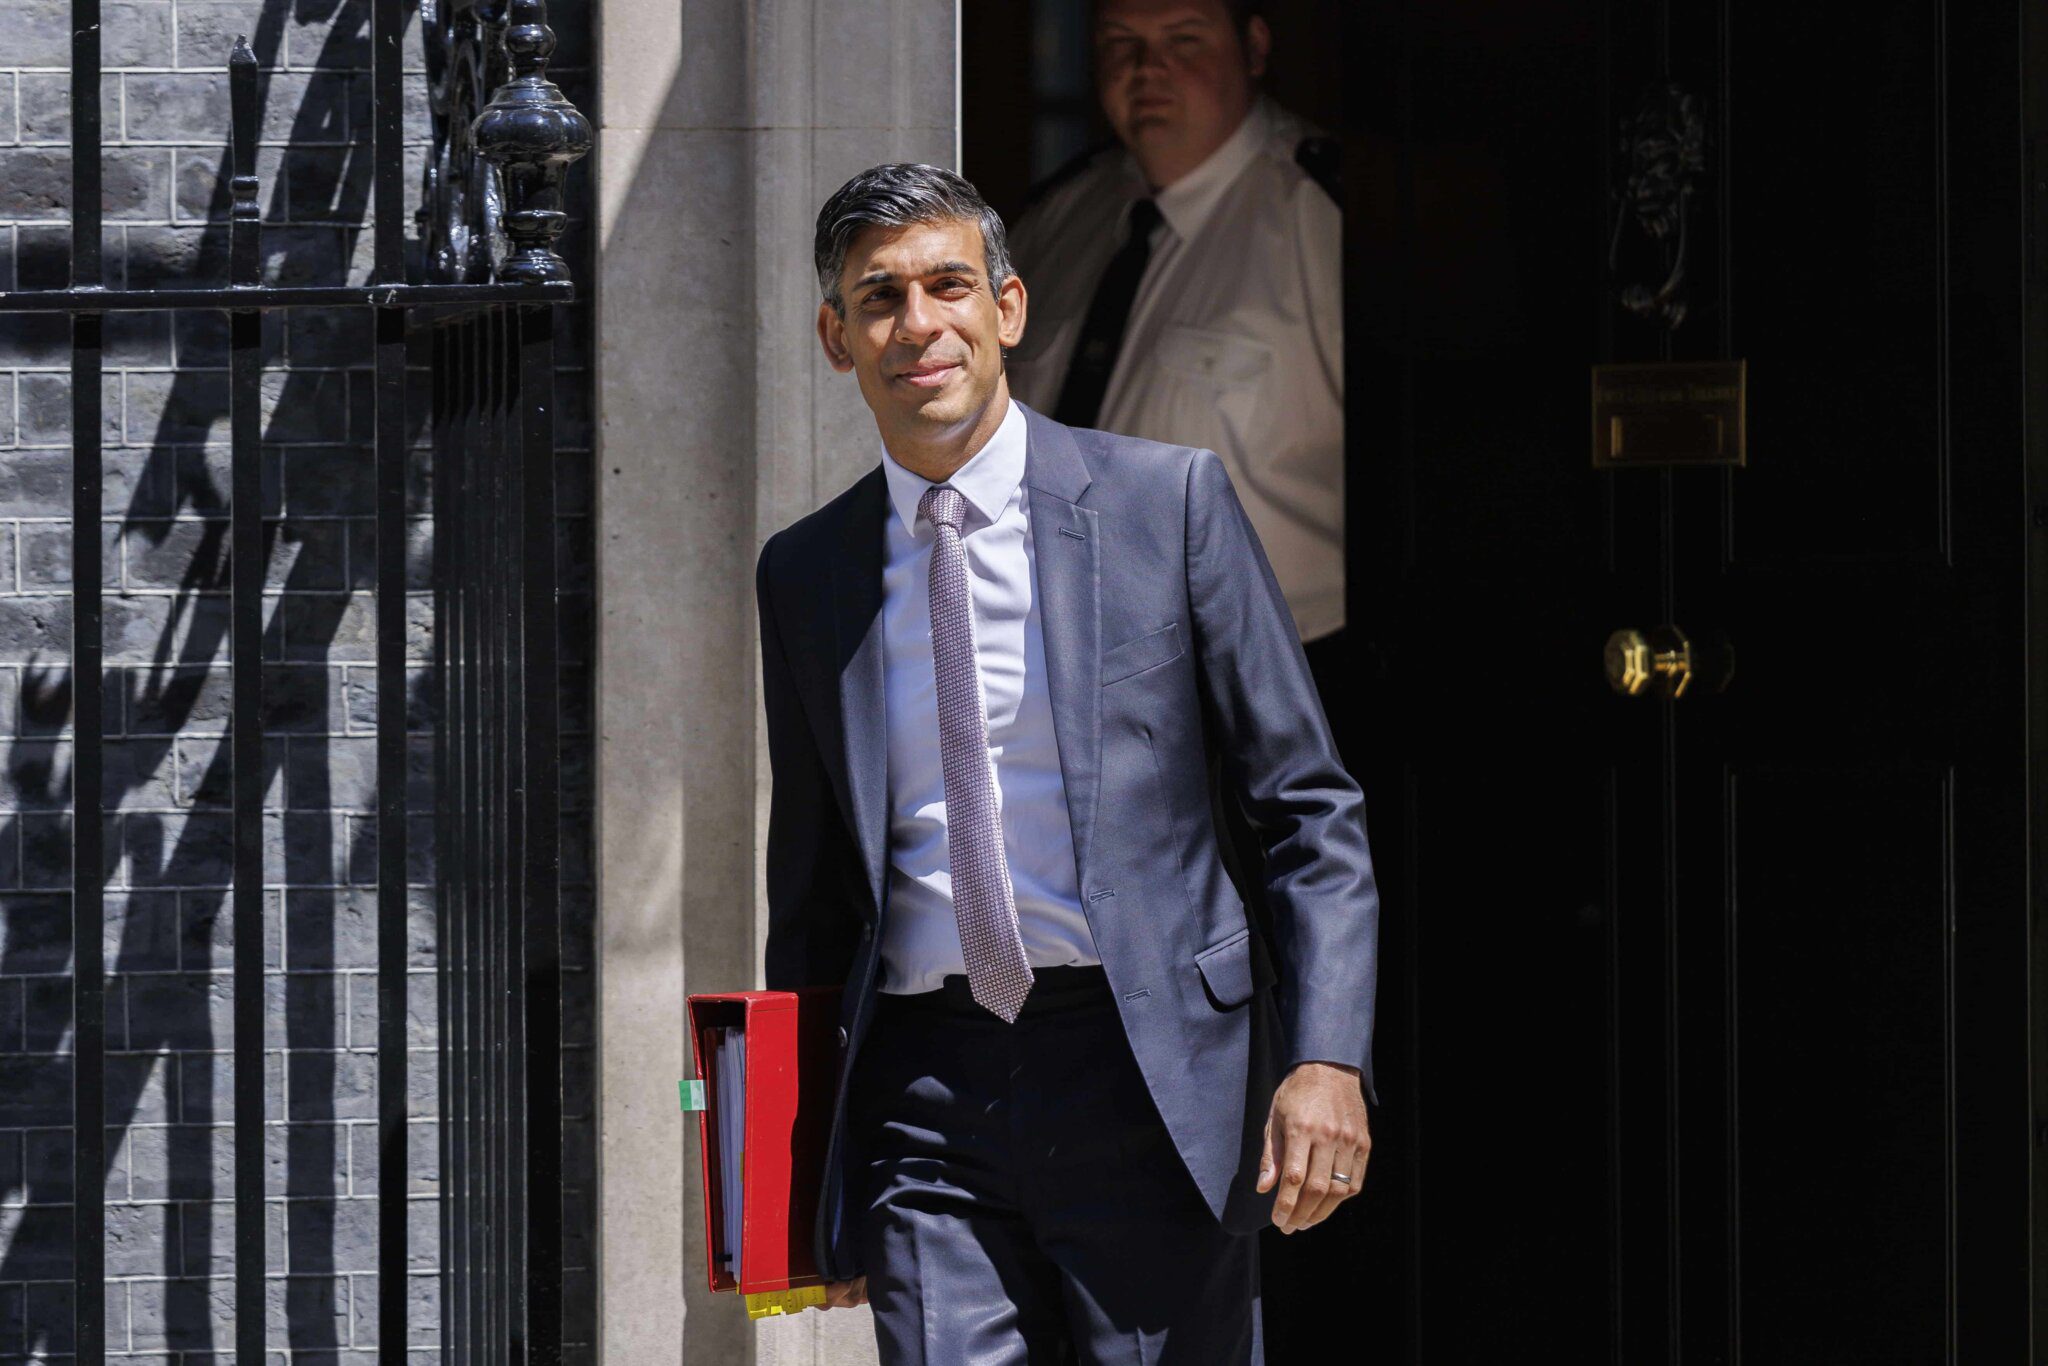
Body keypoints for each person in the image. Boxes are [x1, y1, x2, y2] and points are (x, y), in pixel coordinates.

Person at [754, 162, 1377, 1364]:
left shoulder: (1167, 505)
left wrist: (1324, 1055)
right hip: (922, 1095)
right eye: (879, 298)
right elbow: (814, 888)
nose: (917, 325)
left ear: (1008, 308)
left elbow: (1308, 809)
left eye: (948, 286)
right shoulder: (806, 570)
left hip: (1148, 1072)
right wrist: (801, 1178)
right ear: (836, 339)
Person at [1005, 0, 1346, 699]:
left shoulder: (1324, 218)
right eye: (1120, 42)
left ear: (1254, 46)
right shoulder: (1056, 220)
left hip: (1275, 682)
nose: (1147, 68)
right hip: (1053, 673)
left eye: (1183, 39)